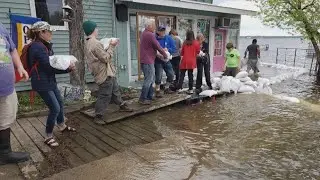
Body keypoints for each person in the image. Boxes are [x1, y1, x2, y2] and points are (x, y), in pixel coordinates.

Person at [26, 21, 76, 147]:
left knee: (59, 102)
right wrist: (67, 69)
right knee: (55, 108)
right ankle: (48, 135)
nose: (50, 34)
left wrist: (65, 65)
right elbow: (49, 67)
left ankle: (61, 125)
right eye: (48, 31)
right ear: (41, 33)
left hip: (49, 80)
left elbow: (52, 63)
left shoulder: (44, 45)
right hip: (42, 83)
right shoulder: (37, 47)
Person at [83, 20, 133, 125]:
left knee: (115, 90)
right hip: (104, 73)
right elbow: (105, 58)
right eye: (96, 28)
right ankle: (98, 115)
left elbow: (98, 55)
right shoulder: (95, 43)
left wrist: (105, 46)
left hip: (107, 72)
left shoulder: (87, 41)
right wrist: (111, 46)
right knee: (105, 95)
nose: (98, 30)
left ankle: (121, 105)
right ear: (92, 30)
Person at [0, 22, 30, 164]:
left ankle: (5, 153)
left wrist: (20, 67)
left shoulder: (0, 26)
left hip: (6, 86)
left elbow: (11, 50)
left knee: (6, 119)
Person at [139, 19, 168, 105]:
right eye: (154, 26)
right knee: (148, 80)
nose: (155, 28)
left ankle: (149, 97)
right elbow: (157, 46)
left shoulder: (144, 33)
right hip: (148, 61)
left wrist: (158, 54)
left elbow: (151, 48)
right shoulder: (150, 35)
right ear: (149, 26)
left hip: (145, 60)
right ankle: (143, 98)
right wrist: (165, 55)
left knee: (150, 79)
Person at [154, 26, 176, 97]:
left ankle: (166, 87)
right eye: (161, 31)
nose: (162, 32)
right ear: (158, 32)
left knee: (171, 74)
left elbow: (174, 48)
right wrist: (157, 53)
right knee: (158, 76)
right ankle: (157, 90)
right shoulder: (154, 39)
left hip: (166, 60)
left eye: (163, 31)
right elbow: (152, 48)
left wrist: (168, 49)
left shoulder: (169, 38)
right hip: (158, 60)